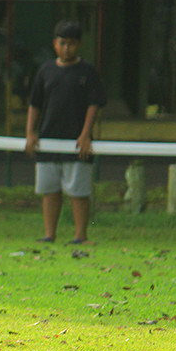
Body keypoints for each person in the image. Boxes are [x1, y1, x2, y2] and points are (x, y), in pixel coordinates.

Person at [25, 20, 106, 244]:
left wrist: (85, 134)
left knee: (78, 191)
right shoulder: (46, 71)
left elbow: (94, 104)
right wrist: (30, 132)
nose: (66, 48)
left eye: (71, 43)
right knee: (49, 190)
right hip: (48, 140)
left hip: (76, 142)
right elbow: (35, 104)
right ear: (55, 44)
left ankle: (81, 235)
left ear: (78, 45)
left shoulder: (87, 72)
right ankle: (49, 234)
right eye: (62, 43)